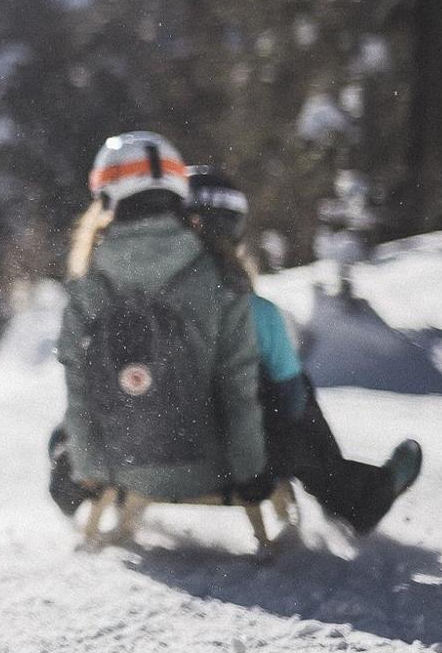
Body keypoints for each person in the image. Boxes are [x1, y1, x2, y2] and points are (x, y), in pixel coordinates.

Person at [184, 165, 422, 536]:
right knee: (294, 397)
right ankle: (355, 497)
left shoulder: (145, 306)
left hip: (160, 454)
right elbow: (291, 400)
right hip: (236, 466)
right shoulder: (256, 313)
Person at [48, 131, 269, 517]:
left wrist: (89, 471)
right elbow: (238, 386)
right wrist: (250, 474)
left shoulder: (88, 281)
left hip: (121, 472)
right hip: (211, 471)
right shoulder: (218, 272)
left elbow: (78, 391)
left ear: (106, 194)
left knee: (59, 433)